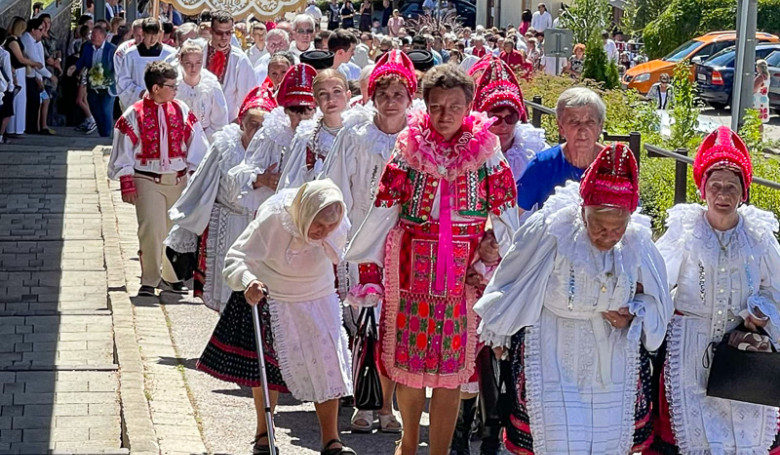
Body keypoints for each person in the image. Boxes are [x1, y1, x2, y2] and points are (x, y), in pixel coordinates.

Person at [344, 64, 520, 455]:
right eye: (436, 106)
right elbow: (383, 209)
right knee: (409, 365)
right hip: (411, 268)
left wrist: (496, 254)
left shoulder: (487, 152)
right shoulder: (408, 148)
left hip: (463, 273)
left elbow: (508, 213)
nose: (444, 115)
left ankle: (437, 450)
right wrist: (368, 269)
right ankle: (409, 441)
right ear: (425, 105)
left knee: (451, 374)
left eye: (454, 106)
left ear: (469, 106)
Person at [475, 143, 672, 455]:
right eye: (599, 227)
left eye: (616, 229)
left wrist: (635, 314)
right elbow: (513, 279)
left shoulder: (638, 242)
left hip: (612, 359)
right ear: (583, 211)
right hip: (554, 350)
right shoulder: (551, 229)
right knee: (556, 440)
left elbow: (658, 301)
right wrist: (499, 327)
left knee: (608, 443)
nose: (608, 236)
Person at [198, 179, 356, 455]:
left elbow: (341, 254)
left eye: (330, 226)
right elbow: (236, 257)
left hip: (319, 299)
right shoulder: (275, 221)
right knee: (269, 372)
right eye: (318, 225)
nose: (324, 232)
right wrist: (248, 281)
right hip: (277, 300)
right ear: (305, 214)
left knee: (327, 367)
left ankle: (332, 441)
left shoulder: (337, 223)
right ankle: (264, 433)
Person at [651, 126, 780, 454]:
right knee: (693, 437)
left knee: (745, 432)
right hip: (691, 349)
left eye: (731, 187)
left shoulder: (760, 238)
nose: (723, 195)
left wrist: (761, 312)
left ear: (743, 193)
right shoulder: (685, 232)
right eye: (716, 186)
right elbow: (655, 282)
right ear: (702, 189)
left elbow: (775, 289)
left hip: (744, 353)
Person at [320, 50, 415, 435]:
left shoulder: (419, 138)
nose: (391, 102)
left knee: (397, 322)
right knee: (365, 322)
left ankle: (389, 407)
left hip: (408, 243)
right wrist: (336, 240)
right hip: (361, 242)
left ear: (410, 98)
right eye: (383, 93)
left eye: (398, 94)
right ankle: (364, 402)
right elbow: (334, 187)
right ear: (372, 97)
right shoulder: (354, 135)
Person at [165, 87, 270, 313]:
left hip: (258, 227)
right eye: (252, 123)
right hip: (227, 223)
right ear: (241, 122)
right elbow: (205, 184)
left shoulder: (273, 151)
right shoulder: (224, 147)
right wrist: (258, 180)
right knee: (226, 288)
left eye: (262, 125)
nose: (257, 130)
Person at [108, 61, 208, 297]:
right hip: (147, 179)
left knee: (176, 231)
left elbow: (197, 144)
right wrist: (126, 180)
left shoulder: (182, 109)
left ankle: (171, 277)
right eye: (172, 86)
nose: (176, 90)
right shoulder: (134, 113)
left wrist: (196, 174)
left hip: (177, 179)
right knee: (152, 229)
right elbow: (122, 149)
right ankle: (150, 279)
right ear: (156, 88)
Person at [230, 63, 318, 216]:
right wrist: (260, 179)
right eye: (293, 113)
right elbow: (237, 177)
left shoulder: (323, 137)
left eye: (306, 112)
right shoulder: (270, 134)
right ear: (284, 110)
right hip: (271, 218)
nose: (299, 120)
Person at [516, 87, 606, 214]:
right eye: (574, 122)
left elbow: (632, 218)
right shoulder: (544, 164)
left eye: (590, 122)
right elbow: (512, 214)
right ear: (561, 128)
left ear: (600, 126)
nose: (583, 129)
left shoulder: (615, 165)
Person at [279, 69, 351, 188]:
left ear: (348, 95)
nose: (331, 99)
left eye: (337, 91)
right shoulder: (306, 138)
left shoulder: (361, 134)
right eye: (323, 93)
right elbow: (292, 184)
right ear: (315, 100)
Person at [202, 10, 255, 123]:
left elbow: (247, 99)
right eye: (219, 33)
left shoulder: (240, 60)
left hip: (227, 124)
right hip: (198, 124)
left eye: (228, 33)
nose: (224, 37)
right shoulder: (199, 53)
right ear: (211, 31)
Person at [117, 18, 176, 110]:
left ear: (160, 33)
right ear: (143, 33)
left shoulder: (169, 54)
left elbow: (175, 79)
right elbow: (123, 80)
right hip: (138, 101)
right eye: (149, 34)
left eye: (155, 34)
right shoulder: (131, 54)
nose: (152, 38)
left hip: (163, 101)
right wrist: (140, 92)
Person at [176, 40, 228, 141]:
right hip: (178, 139)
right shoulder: (173, 84)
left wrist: (204, 139)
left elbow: (220, 120)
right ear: (180, 61)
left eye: (198, 63)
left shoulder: (211, 85)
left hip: (205, 138)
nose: (193, 68)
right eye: (188, 63)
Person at [73, 25, 116, 137]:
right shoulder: (87, 47)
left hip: (107, 86)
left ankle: (106, 133)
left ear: (103, 37)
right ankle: (101, 131)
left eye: (95, 35)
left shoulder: (112, 49)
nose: (92, 37)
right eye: (91, 35)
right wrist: (74, 67)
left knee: (106, 109)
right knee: (94, 107)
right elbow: (82, 61)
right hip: (92, 84)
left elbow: (117, 67)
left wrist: (108, 77)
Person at [4, 17, 41, 139]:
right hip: (17, 71)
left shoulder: (16, 40)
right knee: (17, 100)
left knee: (21, 101)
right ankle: (13, 129)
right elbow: (20, 58)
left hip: (21, 71)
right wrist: (34, 63)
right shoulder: (12, 41)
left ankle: (18, 128)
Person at [20, 17, 51, 135]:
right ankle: (33, 127)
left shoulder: (36, 41)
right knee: (33, 102)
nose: (42, 32)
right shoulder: (27, 40)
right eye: (40, 29)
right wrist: (49, 76)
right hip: (29, 76)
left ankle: (38, 127)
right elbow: (35, 61)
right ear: (33, 30)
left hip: (36, 76)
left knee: (38, 101)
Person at [754, 59, 770, 128]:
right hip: (764, 99)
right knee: (760, 122)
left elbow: (754, 89)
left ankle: (757, 138)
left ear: (759, 67)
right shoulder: (767, 76)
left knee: (756, 120)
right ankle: (760, 138)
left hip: (757, 100)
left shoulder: (760, 77)